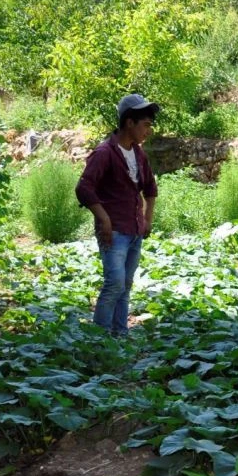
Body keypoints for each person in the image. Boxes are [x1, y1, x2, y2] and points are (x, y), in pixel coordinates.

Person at [76, 94, 159, 336]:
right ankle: (100, 339)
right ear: (129, 122)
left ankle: (119, 335)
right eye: (145, 124)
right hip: (114, 232)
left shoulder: (138, 154)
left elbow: (150, 189)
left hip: (134, 230)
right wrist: (103, 218)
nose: (149, 131)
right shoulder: (105, 153)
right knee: (114, 284)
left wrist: (147, 219)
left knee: (125, 286)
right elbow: (84, 188)